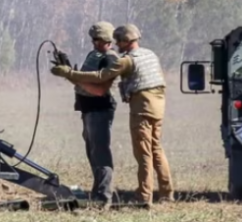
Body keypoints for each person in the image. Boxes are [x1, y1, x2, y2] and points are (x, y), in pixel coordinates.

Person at [50, 23, 174, 205]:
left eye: (118, 41)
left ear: (125, 41)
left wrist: (70, 74)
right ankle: (166, 193)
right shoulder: (149, 54)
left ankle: (143, 197)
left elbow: (101, 79)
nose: (116, 44)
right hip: (157, 105)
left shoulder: (124, 60)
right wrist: (71, 73)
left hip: (141, 107)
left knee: (143, 153)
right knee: (155, 149)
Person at [73, 21, 120, 206]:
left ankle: (103, 196)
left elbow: (100, 90)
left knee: (100, 152)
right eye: (93, 39)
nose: (95, 43)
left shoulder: (111, 59)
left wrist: (73, 76)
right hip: (88, 109)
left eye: (98, 40)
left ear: (108, 40)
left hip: (100, 109)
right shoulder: (94, 55)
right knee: (92, 152)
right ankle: (97, 191)